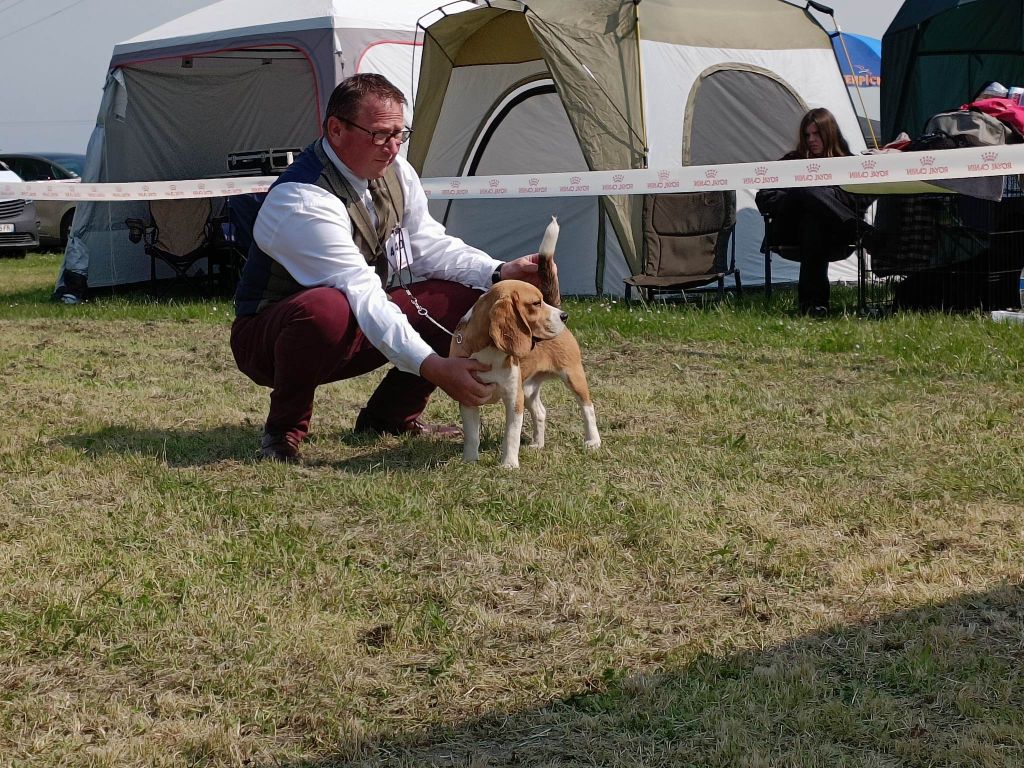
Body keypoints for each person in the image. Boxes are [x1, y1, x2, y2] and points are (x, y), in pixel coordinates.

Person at [230, 73, 548, 462]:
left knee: (465, 296)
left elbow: (429, 247)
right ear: (336, 130)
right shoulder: (301, 200)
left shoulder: (397, 171)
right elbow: (361, 290)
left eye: (401, 134)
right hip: (270, 340)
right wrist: (435, 367)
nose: (394, 147)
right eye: (381, 134)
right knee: (325, 309)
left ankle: (390, 418)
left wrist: (499, 272)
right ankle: (283, 433)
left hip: (356, 318)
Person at [755, 107, 871, 316]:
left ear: (829, 134)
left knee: (813, 221)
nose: (811, 139)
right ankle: (867, 233)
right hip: (789, 230)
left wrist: (825, 198)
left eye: (816, 134)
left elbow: (862, 199)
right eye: (807, 135)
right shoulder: (793, 161)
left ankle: (813, 305)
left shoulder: (848, 162)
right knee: (805, 189)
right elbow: (764, 197)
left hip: (836, 234)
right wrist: (801, 197)